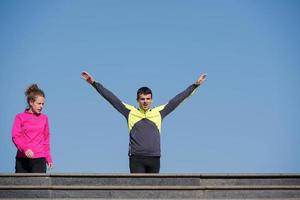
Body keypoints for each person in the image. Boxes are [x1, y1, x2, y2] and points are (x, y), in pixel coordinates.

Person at [82, 71, 207, 173]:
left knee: (153, 194)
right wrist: (93, 83)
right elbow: (111, 98)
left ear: (152, 100)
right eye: (142, 99)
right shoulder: (129, 112)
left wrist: (195, 85)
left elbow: (178, 100)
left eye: (148, 99)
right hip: (136, 158)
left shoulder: (159, 112)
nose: (145, 101)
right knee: (138, 193)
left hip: (154, 158)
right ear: (137, 100)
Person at [12, 84, 53, 173]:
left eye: (43, 104)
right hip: (22, 159)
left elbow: (46, 140)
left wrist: (48, 157)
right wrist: (25, 149)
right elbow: (16, 136)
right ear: (31, 102)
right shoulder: (19, 117)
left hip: (39, 159)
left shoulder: (44, 118)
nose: (41, 106)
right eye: (39, 103)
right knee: (21, 186)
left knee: (38, 186)